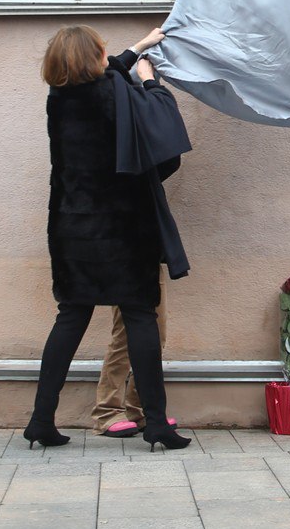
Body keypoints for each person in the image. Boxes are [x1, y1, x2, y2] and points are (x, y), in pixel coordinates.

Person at [25, 25, 191, 452]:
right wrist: (152, 80)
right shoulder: (115, 91)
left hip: (72, 228)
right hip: (122, 228)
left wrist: (138, 48)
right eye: (102, 53)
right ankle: (155, 422)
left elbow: (108, 76)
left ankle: (41, 420)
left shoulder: (58, 99)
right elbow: (157, 125)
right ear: (93, 57)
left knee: (70, 317)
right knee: (140, 317)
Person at [91, 290, 173, 438]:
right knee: (124, 337)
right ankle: (107, 411)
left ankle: (140, 410)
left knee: (156, 335)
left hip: (151, 268)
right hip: (123, 269)